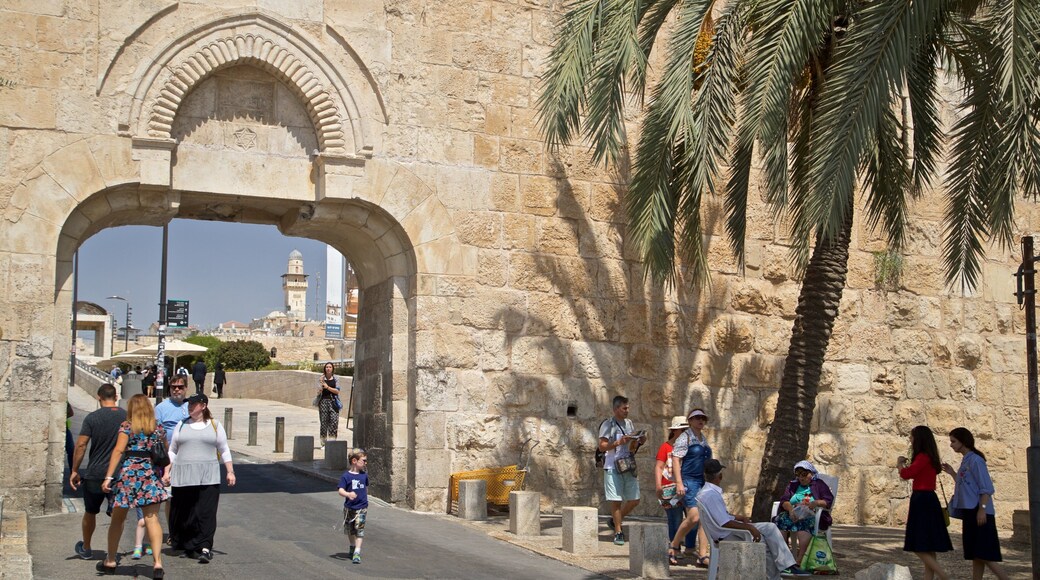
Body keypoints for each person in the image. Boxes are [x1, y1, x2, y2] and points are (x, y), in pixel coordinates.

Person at [695, 459, 810, 578]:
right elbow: (724, 523)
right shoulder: (711, 495)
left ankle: (787, 566)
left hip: (727, 531)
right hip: (728, 534)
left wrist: (739, 517)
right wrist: (749, 527)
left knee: (770, 527)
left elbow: (721, 516)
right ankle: (781, 572)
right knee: (765, 543)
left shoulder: (706, 492)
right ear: (720, 476)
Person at [99, 394, 168, 577]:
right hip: (149, 475)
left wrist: (108, 477)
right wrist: (166, 472)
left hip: (128, 475)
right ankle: (157, 564)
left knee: (118, 519)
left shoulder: (127, 427)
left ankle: (111, 560)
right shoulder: (158, 428)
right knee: (152, 519)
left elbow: (119, 450)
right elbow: (164, 452)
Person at [164, 393, 235, 563]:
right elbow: (172, 450)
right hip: (183, 475)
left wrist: (230, 471)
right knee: (185, 512)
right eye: (189, 404)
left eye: (194, 404)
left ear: (203, 406)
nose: (190, 406)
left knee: (206, 512)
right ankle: (188, 546)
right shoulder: (181, 425)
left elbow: (224, 449)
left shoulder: (214, 425)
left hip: (208, 476)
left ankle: (204, 546)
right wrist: (167, 471)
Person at [942, 428, 1010, 580]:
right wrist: (953, 473)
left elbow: (986, 487)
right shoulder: (966, 460)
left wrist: (982, 509)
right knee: (976, 554)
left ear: (963, 441)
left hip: (979, 512)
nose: (951, 445)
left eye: (954, 441)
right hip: (970, 512)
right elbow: (966, 485)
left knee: (985, 554)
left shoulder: (976, 460)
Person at [69, 384, 127, 560]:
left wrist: (74, 470)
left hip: (95, 472)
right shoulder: (126, 417)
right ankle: (112, 552)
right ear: (116, 397)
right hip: (118, 473)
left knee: (91, 511)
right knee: (117, 516)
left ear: (98, 397)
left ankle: (86, 547)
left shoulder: (92, 418)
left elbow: (81, 445)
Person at [898, 425, 952, 580]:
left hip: (922, 500)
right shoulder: (930, 457)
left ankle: (944, 576)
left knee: (918, 545)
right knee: (929, 547)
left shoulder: (923, 456)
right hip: (929, 499)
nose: (910, 439)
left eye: (912, 437)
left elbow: (907, 474)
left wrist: (900, 464)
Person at [598, 395, 646, 546]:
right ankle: (618, 531)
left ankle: (614, 520)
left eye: (628, 408)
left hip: (628, 464)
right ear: (616, 409)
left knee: (635, 499)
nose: (627, 410)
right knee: (616, 500)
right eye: (624, 408)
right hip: (613, 466)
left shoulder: (629, 423)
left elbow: (631, 446)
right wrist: (618, 442)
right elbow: (602, 446)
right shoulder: (608, 424)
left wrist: (639, 442)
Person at [668, 408, 712, 567]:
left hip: (702, 481)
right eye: (697, 418)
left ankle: (702, 554)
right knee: (694, 516)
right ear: (690, 421)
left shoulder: (703, 438)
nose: (700, 420)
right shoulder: (685, 437)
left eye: (703, 418)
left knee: (704, 518)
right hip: (689, 481)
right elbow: (676, 459)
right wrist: (679, 482)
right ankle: (674, 545)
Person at [773, 460, 833, 563]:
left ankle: (800, 559)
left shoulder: (819, 484)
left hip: (811, 514)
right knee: (779, 521)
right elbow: (784, 501)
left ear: (811, 473)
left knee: (805, 523)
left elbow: (828, 500)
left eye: (804, 474)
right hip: (793, 513)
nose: (801, 477)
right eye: (798, 474)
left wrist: (816, 503)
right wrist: (791, 510)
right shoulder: (793, 485)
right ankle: (785, 556)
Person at [655, 416, 695, 565]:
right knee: (675, 519)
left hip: (688, 487)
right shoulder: (666, 447)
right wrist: (658, 485)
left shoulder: (691, 447)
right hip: (669, 488)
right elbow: (659, 466)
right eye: (683, 430)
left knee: (693, 518)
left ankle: (690, 546)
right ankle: (674, 548)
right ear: (675, 431)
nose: (685, 432)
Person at [338, 449, 369, 565]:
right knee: (350, 530)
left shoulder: (364, 476)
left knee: (359, 529)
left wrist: (365, 499)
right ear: (354, 461)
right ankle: (352, 545)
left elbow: (365, 488)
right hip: (349, 508)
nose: (366, 463)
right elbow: (340, 490)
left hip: (362, 507)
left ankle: (357, 551)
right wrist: (348, 494)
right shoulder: (346, 476)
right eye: (364, 461)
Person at [317, 362, 341, 447]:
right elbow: (318, 391)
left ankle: (332, 442)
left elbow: (337, 391)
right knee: (324, 423)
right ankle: (323, 444)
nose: (328, 368)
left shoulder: (336, 378)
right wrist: (321, 384)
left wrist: (327, 387)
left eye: (330, 367)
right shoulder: (321, 378)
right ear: (324, 369)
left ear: (332, 369)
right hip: (323, 402)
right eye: (327, 367)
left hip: (333, 402)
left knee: (334, 423)